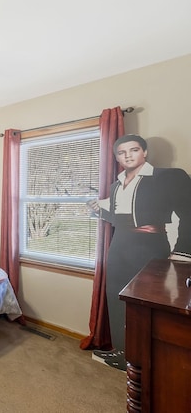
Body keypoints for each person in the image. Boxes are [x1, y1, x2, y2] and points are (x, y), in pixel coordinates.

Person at [88, 134, 191, 370]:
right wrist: (98, 210)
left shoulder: (167, 177)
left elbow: (189, 212)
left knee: (143, 303)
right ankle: (123, 353)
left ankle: (144, 357)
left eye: (133, 150)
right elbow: (119, 218)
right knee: (116, 297)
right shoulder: (116, 184)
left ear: (144, 152)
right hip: (120, 244)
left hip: (150, 244)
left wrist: (183, 252)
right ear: (117, 158)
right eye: (122, 153)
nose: (128, 156)